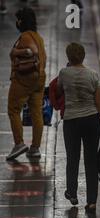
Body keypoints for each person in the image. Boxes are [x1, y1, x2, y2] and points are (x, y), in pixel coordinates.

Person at [56, 42, 100, 214]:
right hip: (91, 121)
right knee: (91, 161)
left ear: (68, 57)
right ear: (83, 56)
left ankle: (72, 193)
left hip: (71, 122)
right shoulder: (93, 75)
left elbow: (59, 92)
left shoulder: (64, 73)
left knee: (72, 158)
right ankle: (92, 201)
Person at [7, 7, 46, 160]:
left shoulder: (25, 36)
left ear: (21, 21)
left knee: (13, 109)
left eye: (18, 19)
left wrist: (19, 52)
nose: (16, 22)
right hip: (39, 79)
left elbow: (32, 51)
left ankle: (19, 143)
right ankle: (35, 148)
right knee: (37, 112)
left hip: (24, 79)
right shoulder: (38, 37)